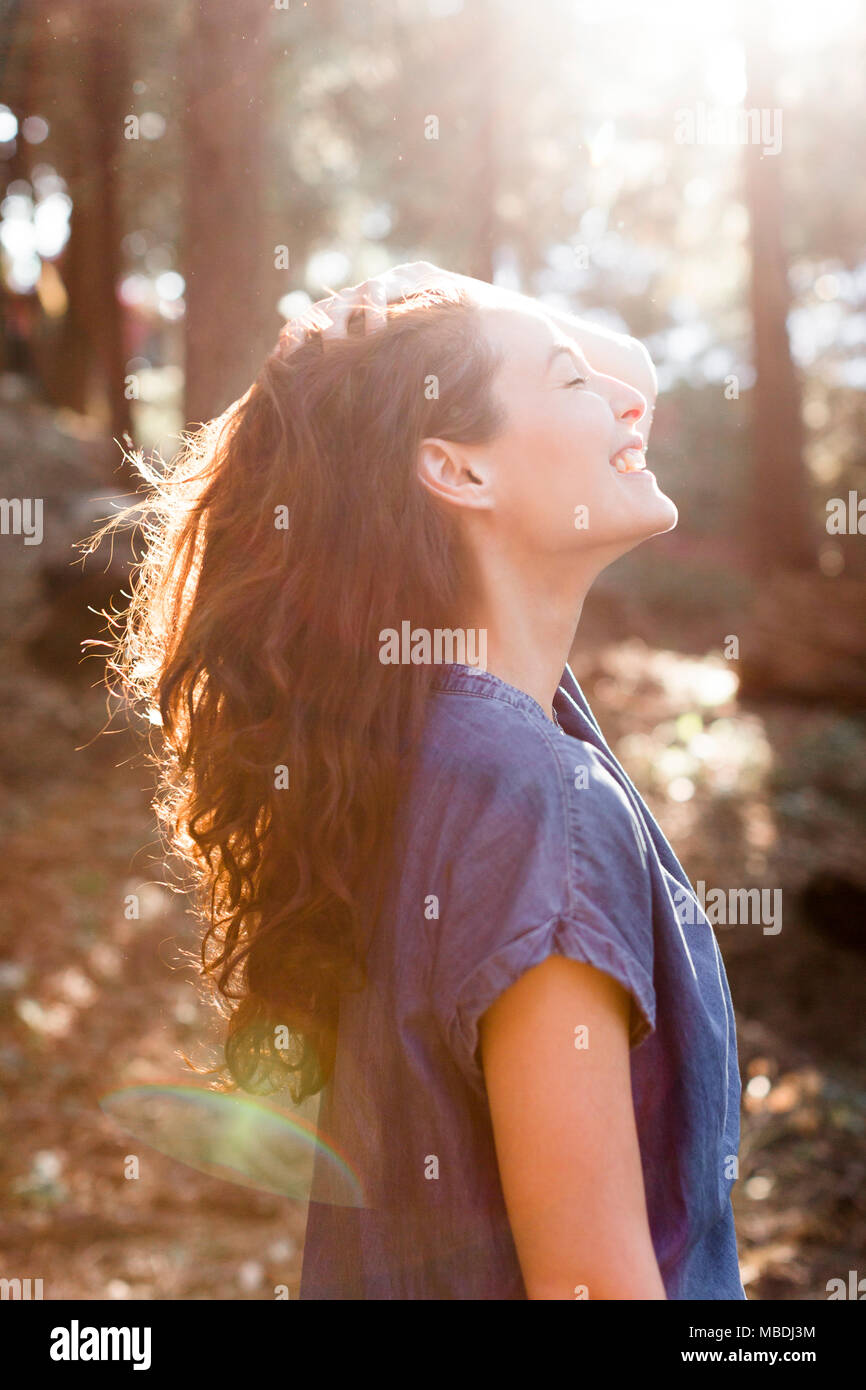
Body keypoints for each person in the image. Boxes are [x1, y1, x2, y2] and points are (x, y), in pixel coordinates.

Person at [114, 262, 745, 1299]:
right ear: (457, 472)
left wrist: (445, 294)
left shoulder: (424, 743)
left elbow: (626, 380)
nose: (625, 406)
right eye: (568, 384)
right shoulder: (535, 796)